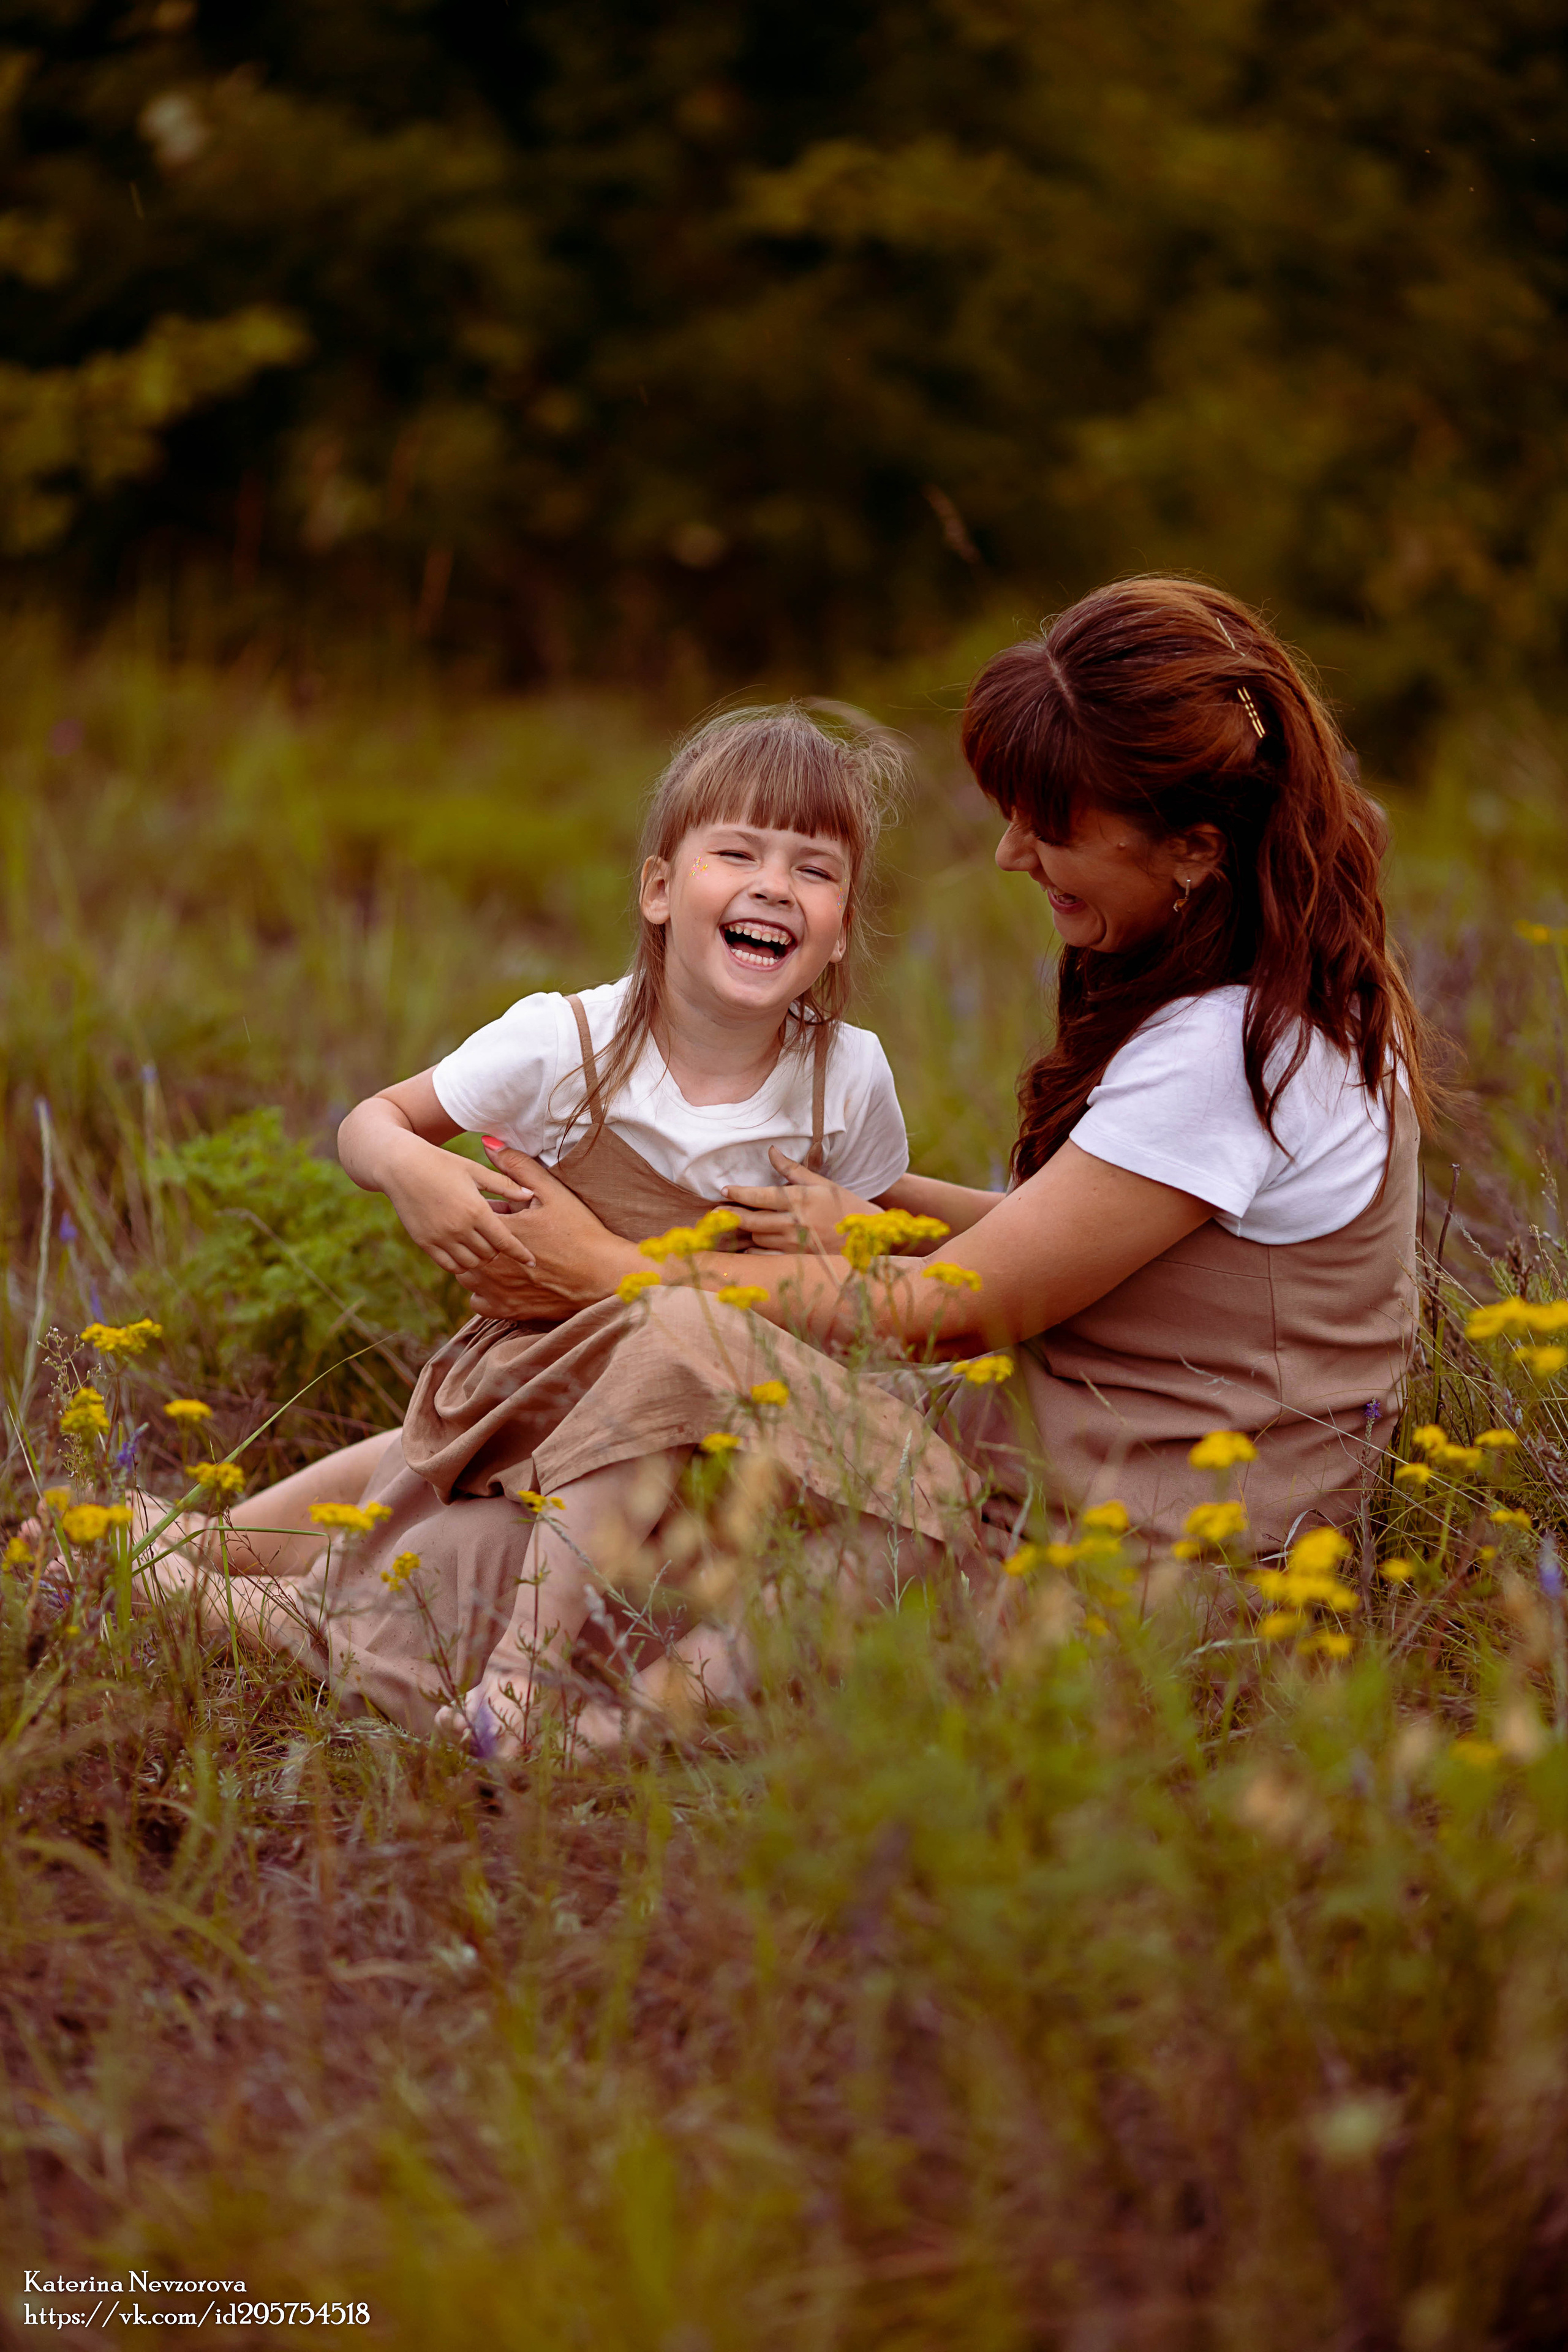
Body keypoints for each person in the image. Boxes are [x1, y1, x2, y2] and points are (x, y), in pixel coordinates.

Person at [449, 575, 1427, 1653]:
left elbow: (952, 1314)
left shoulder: (1228, 1055)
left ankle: (282, 1599)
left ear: (1195, 848)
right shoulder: (1282, 1009)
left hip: (1109, 1571)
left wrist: (604, 1270)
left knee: (638, 1434)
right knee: (576, 1511)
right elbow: (1096, 1243)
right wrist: (871, 1209)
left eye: (1048, 825)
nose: (1011, 854)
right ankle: (244, 1557)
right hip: (1066, 1499)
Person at [124, 702, 969, 1743]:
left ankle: (619, 1717)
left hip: (718, 1413)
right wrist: (412, 1172)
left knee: (877, 1474)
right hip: (543, 1384)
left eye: (815, 869)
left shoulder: (850, 1075)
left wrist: (848, 1227)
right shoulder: (562, 1041)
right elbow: (371, 1121)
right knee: (395, 1537)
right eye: (737, 852)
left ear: (841, 925)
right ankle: (506, 1685)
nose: (773, 886)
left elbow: (872, 1223)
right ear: (660, 890)